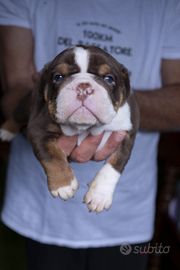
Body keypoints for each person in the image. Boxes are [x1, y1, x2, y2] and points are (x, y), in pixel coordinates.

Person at [0, 0, 180, 269]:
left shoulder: (167, 5)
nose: (83, 89)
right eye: (61, 78)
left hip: (128, 212)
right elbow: (14, 86)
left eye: (106, 79)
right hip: (40, 209)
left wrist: (114, 107)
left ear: (123, 85)